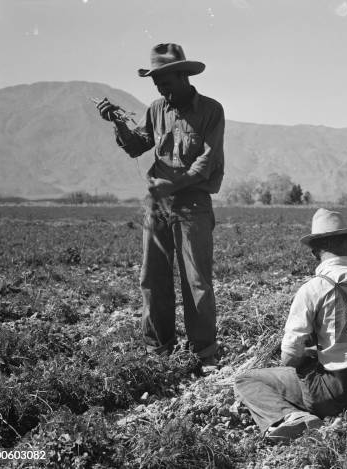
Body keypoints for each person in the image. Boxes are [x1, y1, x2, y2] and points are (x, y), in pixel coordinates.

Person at [96, 44, 224, 368]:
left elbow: (206, 165)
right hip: (157, 205)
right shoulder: (156, 109)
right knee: (152, 279)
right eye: (156, 83)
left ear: (183, 76)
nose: (160, 88)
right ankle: (158, 352)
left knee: (196, 282)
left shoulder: (211, 110)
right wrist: (117, 123)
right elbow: (137, 146)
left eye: (165, 81)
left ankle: (204, 354)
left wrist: (174, 184)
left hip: (193, 204)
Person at [234, 208, 347, 441]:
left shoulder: (314, 289)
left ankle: (291, 418)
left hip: (332, 395)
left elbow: (289, 357)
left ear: (314, 252)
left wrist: (311, 355)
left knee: (247, 379)